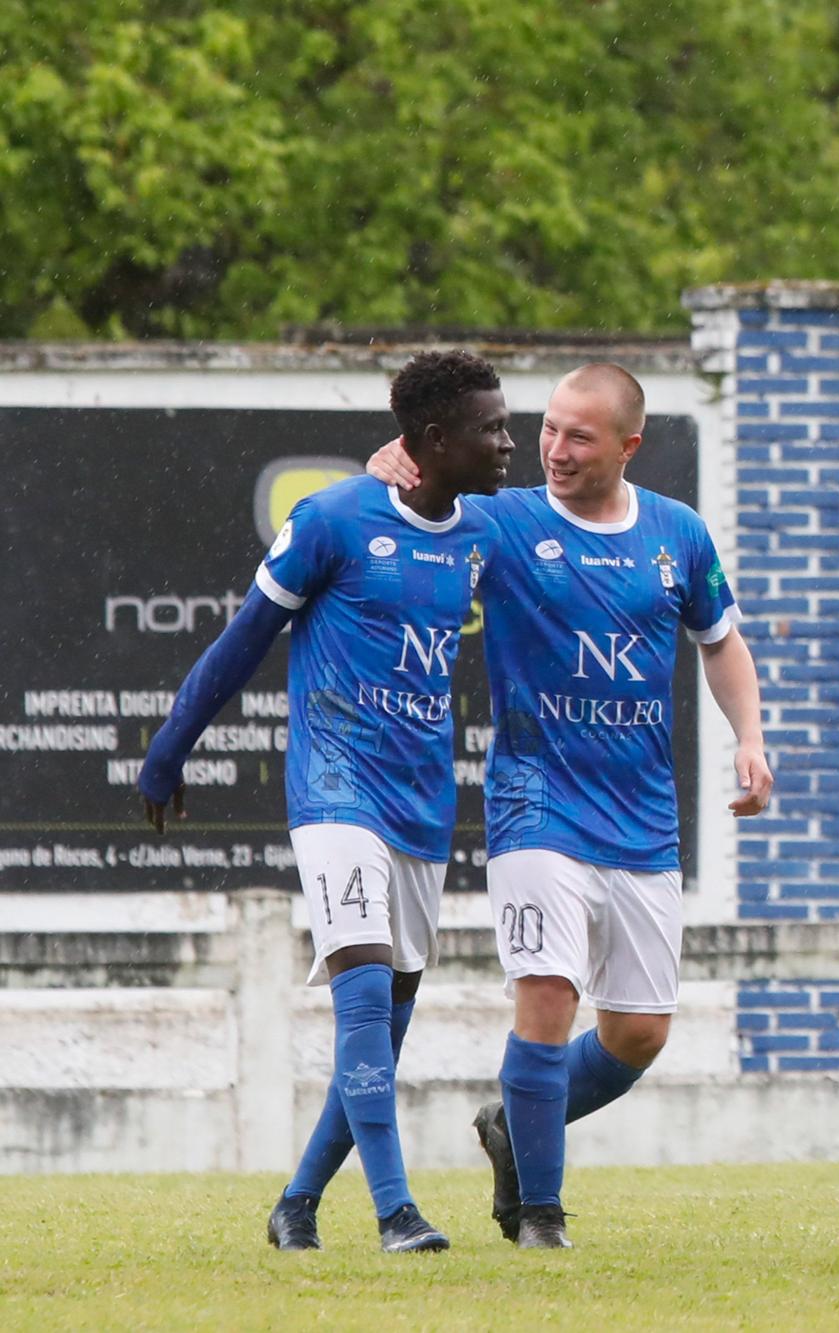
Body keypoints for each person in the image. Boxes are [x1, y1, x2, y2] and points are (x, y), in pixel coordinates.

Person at [368, 363, 772, 1250]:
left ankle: (514, 1124)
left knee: (638, 1033)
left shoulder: (677, 532)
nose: (553, 448)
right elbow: (405, 517)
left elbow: (720, 640)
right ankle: (540, 1216)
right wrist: (385, 469)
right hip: (534, 802)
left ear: (629, 446)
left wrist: (750, 735)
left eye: (578, 436)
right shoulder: (503, 519)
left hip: (642, 817)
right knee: (547, 994)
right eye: (548, 428)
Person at [138, 349, 514, 1253]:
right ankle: (396, 1212)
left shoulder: (488, 530)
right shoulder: (332, 519)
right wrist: (167, 748)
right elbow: (244, 639)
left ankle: (297, 1202)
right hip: (335, 785)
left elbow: (579, 530)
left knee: (384, 1026)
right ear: (435, 439)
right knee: (364, 995)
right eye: (493, 429)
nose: (510, 443)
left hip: (423, 800)